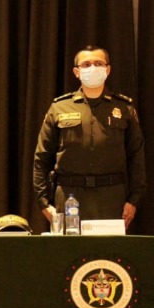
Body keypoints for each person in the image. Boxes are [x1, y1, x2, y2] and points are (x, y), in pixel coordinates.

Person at [33, 45, 147, 229]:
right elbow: (42, 158)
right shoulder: (59, 107)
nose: (93, 68)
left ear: (108, 70)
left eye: (98, 63)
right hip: (69, 197)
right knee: (70, 247)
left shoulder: (124, 108)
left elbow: (136, 156)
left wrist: (134, 200)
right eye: (86, 64)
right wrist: (44, 202)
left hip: (112, 197)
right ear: (76, 72)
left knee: (109, 248)